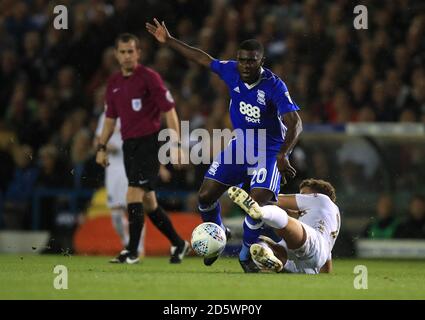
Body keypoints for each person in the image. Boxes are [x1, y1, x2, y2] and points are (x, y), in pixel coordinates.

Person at [146, 19, 302, 272]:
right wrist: (170, 40)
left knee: (257, 203)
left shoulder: (274, 86)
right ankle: (217, 234)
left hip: (269, 151)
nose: (245, 65)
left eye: (251, 60)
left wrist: (283, 154)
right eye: (242, 60)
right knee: (205, 196)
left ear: (261, 61)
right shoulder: (231, 70)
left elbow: (295, 122)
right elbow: (202, 58)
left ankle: (245, 254)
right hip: (240, 146)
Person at [96, 33, 189, 264]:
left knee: (132, 195)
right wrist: (101, 146)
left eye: (131, 51)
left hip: (149, 142)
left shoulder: (149, 78)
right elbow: (110, 118)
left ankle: (132, 250)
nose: (127, 56)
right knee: (149, 203)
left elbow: (169, 110)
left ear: (138, 53)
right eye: (123, 52)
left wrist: (176, 144)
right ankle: (179, 243)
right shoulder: (114, 84)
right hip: (130, 146)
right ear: (116, 55)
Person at [228, 178, 340, 274]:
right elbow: (326, 266)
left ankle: (261, 212)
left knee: (284, 225)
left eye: (304, 195)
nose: (301, 197)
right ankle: (271, 257)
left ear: (316, 194)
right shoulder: (330, 219)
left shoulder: (323, 199)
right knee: (261, 242)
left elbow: (276, 200)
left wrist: (253, 195)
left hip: (311, 246)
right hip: (308, 266)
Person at [95, 111, 146, 259]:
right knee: (116, 213)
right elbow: (98, 140)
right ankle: (127, 243)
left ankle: (139, 248)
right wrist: (106, 147)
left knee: (134, 207)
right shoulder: (105, 115)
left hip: (132, 165)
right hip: (113, 168)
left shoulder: (134, 111)